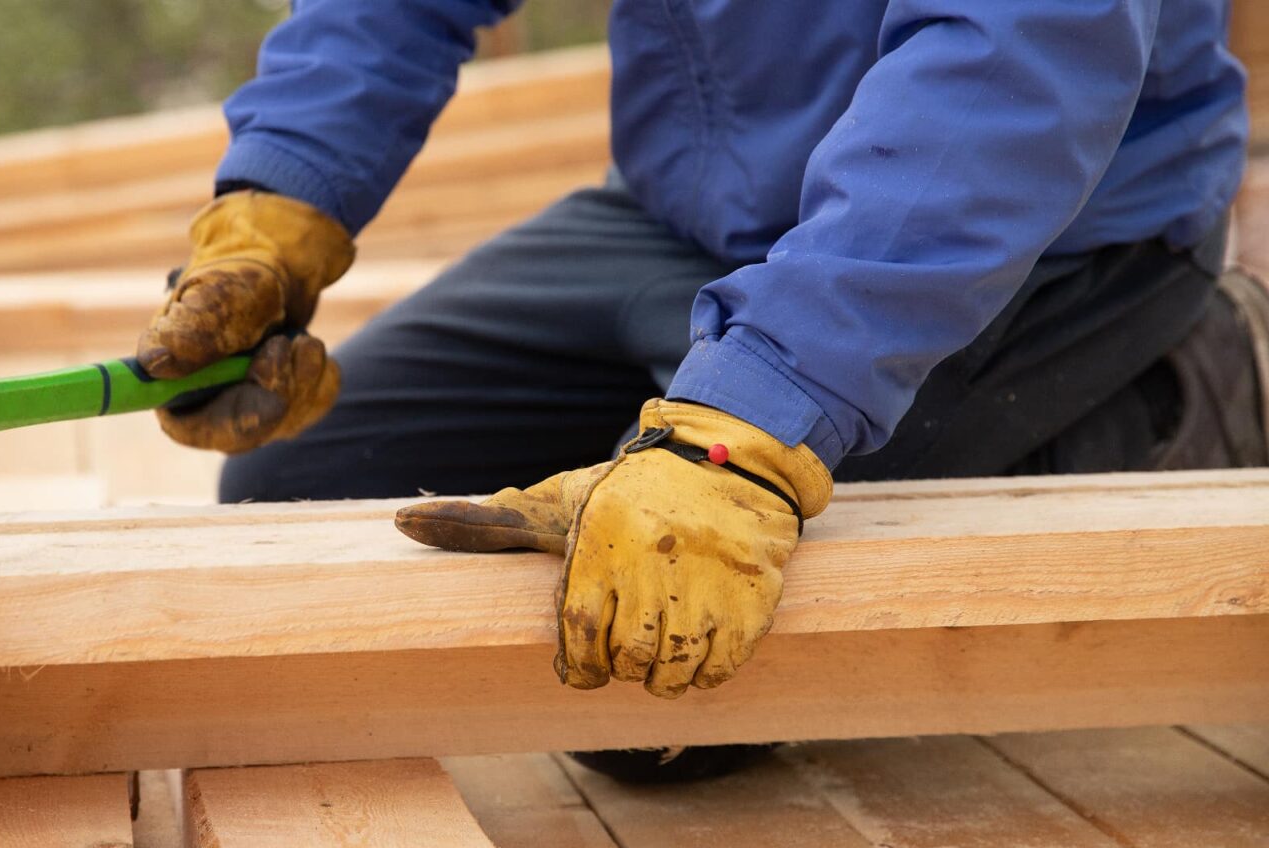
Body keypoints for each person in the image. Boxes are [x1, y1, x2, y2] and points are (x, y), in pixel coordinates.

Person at [136, 1, 1269, 782]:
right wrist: (279, 205)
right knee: (297, 484)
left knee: (644, 700)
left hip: (1038, 228)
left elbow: (1017, 57)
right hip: (689, 214)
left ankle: (1175, 385)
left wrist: (758, 415)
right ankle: (725, 376)